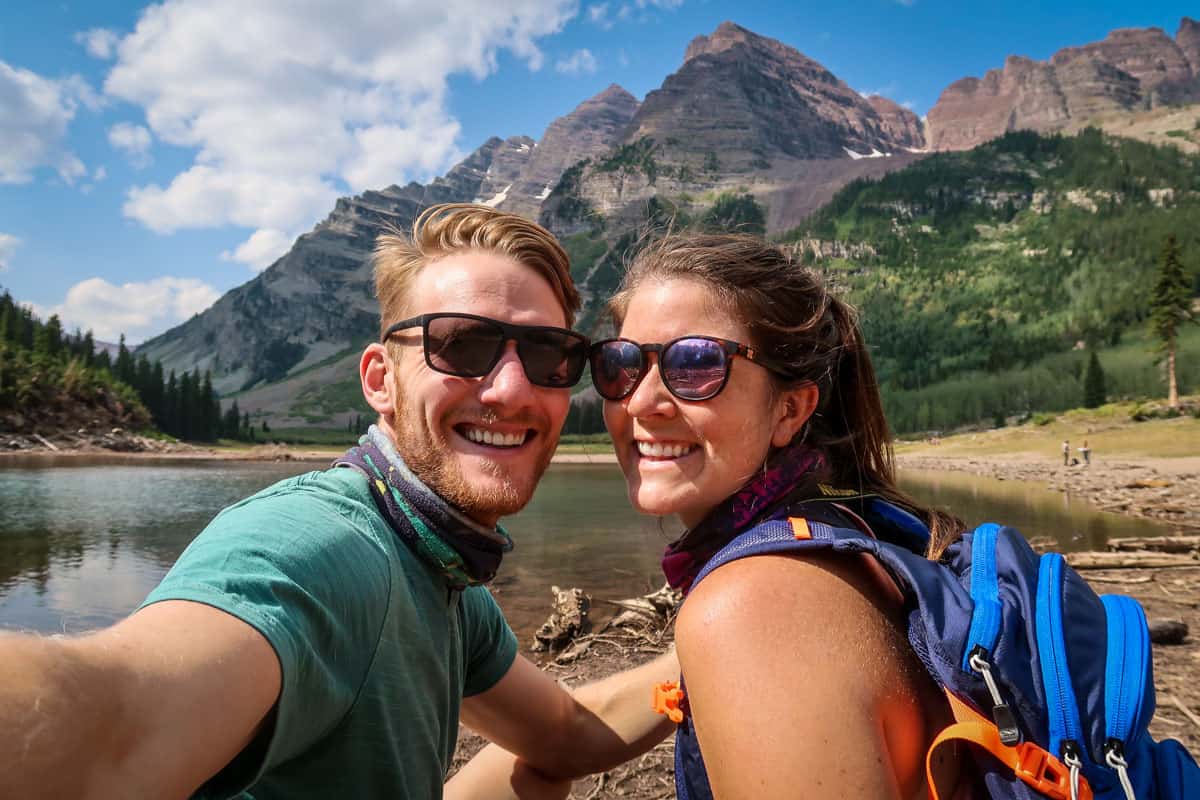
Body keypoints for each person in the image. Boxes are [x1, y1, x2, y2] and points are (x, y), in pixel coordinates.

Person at [0, 204, 676, 799]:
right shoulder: (320, 546)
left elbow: (562, 737)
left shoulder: (444, 572)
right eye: (460, 345)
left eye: (549, 355)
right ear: (381, 379)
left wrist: (708, 639)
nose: (510, 390)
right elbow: (113, 730)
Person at [588, 233, 969, 798]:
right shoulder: (849, 528)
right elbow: (572, 730)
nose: (641, 402)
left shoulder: (753, 606)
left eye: (695, 364)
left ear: (790, 409)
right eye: (621, 365)